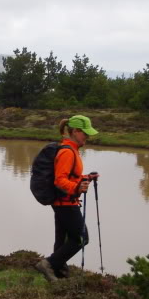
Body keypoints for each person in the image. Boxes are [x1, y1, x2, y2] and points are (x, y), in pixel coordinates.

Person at [35, 115, 99, 282]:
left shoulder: (71, 150)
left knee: (62, 239)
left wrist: (86, 178)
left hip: (63, 201)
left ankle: (59, 271)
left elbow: (70, 176)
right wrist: (76, 187)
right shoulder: (67, 152)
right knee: (81, 238)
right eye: (85, 133)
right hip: (65, 203)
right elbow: (59, 180)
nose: (88, 137)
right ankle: (48, 264)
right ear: (76, 131)